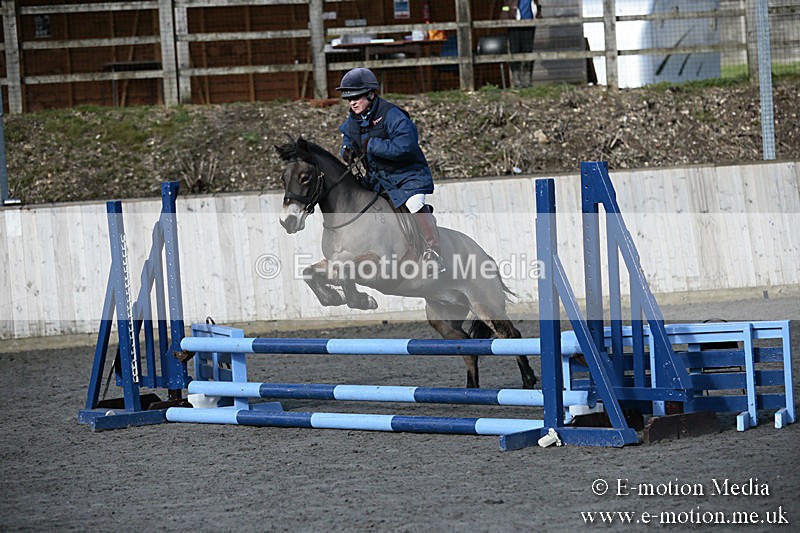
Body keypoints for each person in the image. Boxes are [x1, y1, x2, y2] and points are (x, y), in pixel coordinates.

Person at [336, 67, 445, 273]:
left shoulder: (393, 115)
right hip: (378, 179)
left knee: (414, 203)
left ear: (370, 94)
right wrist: (346, 151)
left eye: (356, 97)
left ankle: (433, 252)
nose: (352, 102)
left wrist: (371, 145)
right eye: (349, 98)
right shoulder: (353, 120)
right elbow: (347, 139)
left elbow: (405, 146)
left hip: (408, 176)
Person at [503, 0, 541, 88]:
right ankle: (516, 79)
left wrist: (538, 14)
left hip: (529, 24)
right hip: (514, 24)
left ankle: (527, 79)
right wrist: (507, 14)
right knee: (515, 50)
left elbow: (536, 5)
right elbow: (506, 6)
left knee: (528, 51)